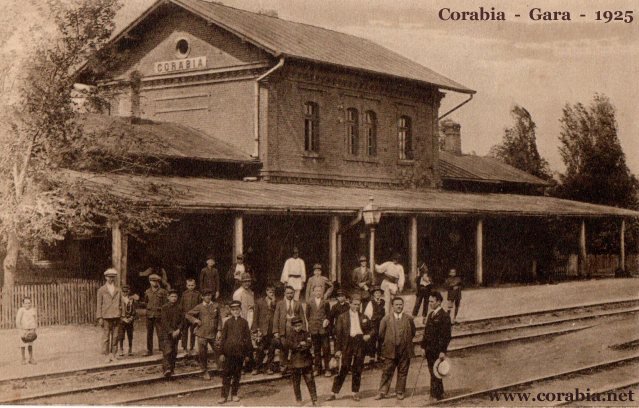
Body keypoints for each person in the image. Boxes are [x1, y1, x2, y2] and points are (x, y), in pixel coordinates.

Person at [327, 295, 373, 402]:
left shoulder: (363, 316)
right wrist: (338, 349)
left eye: (358, 304)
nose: (356, 306)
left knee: (357, 369)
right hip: (347, 344)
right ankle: (333, 392)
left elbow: (372, 329)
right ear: (350, 304)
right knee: (344, 368)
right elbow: (338, 335)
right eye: (354, 304)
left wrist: (369, 335)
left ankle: (355, 393)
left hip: (360, 343)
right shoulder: (342, 317)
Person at [375, 297, 416, 401]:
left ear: (403, 305)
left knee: (403, 371)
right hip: (390, 350)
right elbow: (381, 334)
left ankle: (400, 391)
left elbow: (413, 332)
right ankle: (382, 391)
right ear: (392, 306)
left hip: (405, 350)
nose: (399, 306)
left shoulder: (409, 318)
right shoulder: (386, 319)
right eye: (396, 304)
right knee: (387, 371)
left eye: (400, 304)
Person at [218, 300, 253, 404]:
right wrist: (221, 353)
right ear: (231, 311)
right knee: (226, 374)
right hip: (228, 353)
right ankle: (223, 396)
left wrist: (248, 354)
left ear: (240, 310)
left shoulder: (244, 323)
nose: (235, 312)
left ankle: (234, 394)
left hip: (239, 353)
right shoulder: (227, 322)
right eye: (233, 310)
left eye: (237, 309)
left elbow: (248, 339)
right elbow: (223, 339)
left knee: (237, 374)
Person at [421, 291, 452, 400]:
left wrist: (443, 351)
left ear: (438, 302)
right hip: (429, 349)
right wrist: (423, 348)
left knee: (436, 372)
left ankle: (435, 395)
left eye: (432, 301)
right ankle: (439, 393)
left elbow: (446, 336)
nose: (429, 303)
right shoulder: (431, 314)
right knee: (432, 371)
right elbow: (426, 333)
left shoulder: (444, 316)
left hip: (438, 350)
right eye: (429, 301)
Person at [186, 289, 222, 380]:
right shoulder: (199, 307)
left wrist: (219, 330)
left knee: (218, 350)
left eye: (210, 295)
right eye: (206, 295)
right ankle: (204, 371)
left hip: (213, 333)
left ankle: (220, 368)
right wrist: (195, 320)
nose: (208, 297)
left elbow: (219, 319)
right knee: (202, 353)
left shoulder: (215, 305)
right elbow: (188, 315)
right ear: (202, 297)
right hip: (202, 333)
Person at [284, 316, 318, 406]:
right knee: (296, 382)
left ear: (302, 325)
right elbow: (290, 345)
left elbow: (309, 344)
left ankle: (314, 399)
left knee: (310, 380)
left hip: (306, 361)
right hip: (295, 362)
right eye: (295, 326)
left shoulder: (306, 333)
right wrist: (300, 345)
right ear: (292, 326)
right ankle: (298, 400)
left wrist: (299, 346)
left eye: (299, 325)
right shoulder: (290, 335)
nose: (298, 328)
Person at [273, 285, 306, 372]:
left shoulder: (298, 303)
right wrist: (276, 331)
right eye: (288, 293)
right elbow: (276, 317)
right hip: (284, 329)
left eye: (291, 293)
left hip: (295, 329)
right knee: (284, 348)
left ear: (294, 293)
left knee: (296, 347)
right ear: (284, 293)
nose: (290, 295)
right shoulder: (280, 304)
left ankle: (295, 366)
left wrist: (304, 331)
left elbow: (302, 317)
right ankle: (283, 367)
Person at [305, 285, 331, 377]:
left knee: (326, 349)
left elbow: (328, 315)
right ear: (313, 292)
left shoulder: (326, 302)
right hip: (314, 329)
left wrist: (326, 320)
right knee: (316, 350)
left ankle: (327, 369)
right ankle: (317, 369)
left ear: (322, 292)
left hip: (323, 329)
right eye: (316, 291)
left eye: (320, 291)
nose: (318, 293)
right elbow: (307, 316)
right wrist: (312, 325)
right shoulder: (309, 302)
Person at [96, 268, 121, 363]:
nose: (111, 279)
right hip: (106, 316)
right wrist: (99, 317)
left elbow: (121, 303)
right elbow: (99, 304)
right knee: (106, 337)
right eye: (109, 277)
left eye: (113, 277)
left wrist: (122, 315)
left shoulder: (118, 290)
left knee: (115, 336)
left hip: (116, 316)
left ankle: (113, 354)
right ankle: (106, 355)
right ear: (106, 277)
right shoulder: (101, 290)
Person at [251, 284, 277, 375]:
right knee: (260, 349)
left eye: (273, 292)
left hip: (272, 330)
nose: (272, 294)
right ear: (266, 292)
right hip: (262, 330)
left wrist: (274, 302)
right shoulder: (259, 302)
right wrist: (255, 330)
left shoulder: (276, 302)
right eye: (270, 292)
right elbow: (255, 317)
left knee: (271, 349)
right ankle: (257, 367)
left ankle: (269, 367)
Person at [232, 272, 256, 372]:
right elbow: (236, 310)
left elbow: (252, 307)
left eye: (248, 281)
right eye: (245, 281)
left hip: (249, 319)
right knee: (240, 343)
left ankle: (248, 365)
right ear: (241, 282)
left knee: (249, 343)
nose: (247, 283)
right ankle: (239, 366)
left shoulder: (251, 292)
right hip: (241, 320)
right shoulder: (238, 293)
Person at [160, 289, 185, 377]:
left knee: (174, 351)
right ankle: (166, 369)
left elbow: (182, 321)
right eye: (172, 297)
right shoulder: (164, 308)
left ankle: (172, 369)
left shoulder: (180, 308)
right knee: (167, 351)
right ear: (168, 297)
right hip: (167, 333)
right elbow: (164, 321)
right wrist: (171, 331)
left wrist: (178, 330)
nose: (174, 298)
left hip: (177, 333)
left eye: (175, 297)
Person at [144, 273, 168, 356]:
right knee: (149, 333)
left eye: (156, 281)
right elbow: (146, 302)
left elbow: (165, 304)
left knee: (160, 333)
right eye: (152, 281)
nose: (154, 283)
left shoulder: (163, 292)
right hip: (149, 315)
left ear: (158, 282)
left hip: (159, 315)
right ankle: (149, 350)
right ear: (150, 282)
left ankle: (162, 349)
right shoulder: (147, 291)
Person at [363, 286, 385, 363]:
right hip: (374, 324)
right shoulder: (371, 303)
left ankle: (380, 355)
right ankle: (372, 357)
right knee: (373, 339)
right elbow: (367, 314)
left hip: (382, 323)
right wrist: (371, 321)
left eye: (379, 293)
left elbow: (386, 312)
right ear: (373, 294)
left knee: (381, 339)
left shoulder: (383, 302)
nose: (378, 294)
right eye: (376, 293)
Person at [180, 278, 201, 356]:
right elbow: (181, 305)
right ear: (186, 286)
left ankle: (192, 347)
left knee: (193, 332)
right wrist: (182, 315)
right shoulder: (184, 294)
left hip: (194, 316)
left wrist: (198, 316)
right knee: (184, 332)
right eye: (189, 285)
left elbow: (199, 305)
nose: (191, 287)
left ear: (195, 285)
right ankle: (184, 347)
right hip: (186, 316)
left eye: (192, 285)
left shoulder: (198, 294)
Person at [16, 296, 37, 365]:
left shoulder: (32, 310)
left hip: (30, 330)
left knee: (30, 344)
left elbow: (34, 320)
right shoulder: (21, 310)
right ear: (23, 304)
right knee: (23, 345)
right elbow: (18, 321)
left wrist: (34, 329)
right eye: (26, 303)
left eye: (29, 303)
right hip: (23, 330)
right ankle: (23, 359)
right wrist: (21, 331)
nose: (27, 305)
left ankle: (31, 358)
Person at [117, 285, 138, 356]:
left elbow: (134, 310)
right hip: (122, 320)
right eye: (123, 291)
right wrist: (122, 318)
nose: (125, 293)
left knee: (130, 335)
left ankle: (130, 348)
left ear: (128, 292)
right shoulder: (119, 300)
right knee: (121, 335)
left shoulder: (131, 300)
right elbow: (117, 310)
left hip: (129, 319)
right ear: (121, 292)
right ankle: (121, 349)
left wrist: (132, 317)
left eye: (126, 291)